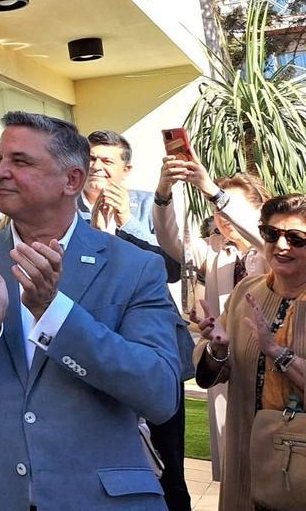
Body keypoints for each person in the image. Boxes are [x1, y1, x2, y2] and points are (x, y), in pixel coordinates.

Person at [0, 111, 183, 510]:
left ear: (72, 180)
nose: (0, 172)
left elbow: (159, 393)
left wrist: (56, 315)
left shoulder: (134, 266)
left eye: (20, 161)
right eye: (0, 158)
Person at [82, 130, 189, 511]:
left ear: (125, 170)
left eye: (107, 161)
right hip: (97, 350)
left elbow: (173, 268)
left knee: (168, 463)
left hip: (152, 349)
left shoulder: (148, 207)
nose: (97, 167)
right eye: (91, 159)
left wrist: (127, 222)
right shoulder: (69, 214)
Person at [152, 156, 269, 481]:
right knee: (236, 466)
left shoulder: (275, 246)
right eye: (216, 208)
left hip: (271, 362)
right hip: (226, 363)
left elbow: (262, 238)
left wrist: (210, 189)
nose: (222, 216)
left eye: (228, 204)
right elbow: (171, 240)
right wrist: (164, 191)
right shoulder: (215, 249)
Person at [194, 194, 306, 511]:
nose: (281, 246)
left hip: (297, 475)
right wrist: (217, 349)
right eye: (272, 234)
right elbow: (219, 368)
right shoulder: (248, 291)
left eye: (296, 238)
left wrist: (279, 354)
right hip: (245, 459)